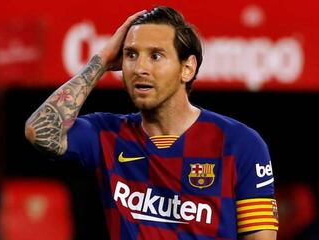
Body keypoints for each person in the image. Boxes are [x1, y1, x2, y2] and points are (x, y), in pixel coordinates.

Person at [25, 6, 279, 239]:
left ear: (187, 68)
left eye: (156, 56)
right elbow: (39, 131)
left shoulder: (239, 144)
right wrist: (101, 61)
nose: (139, 68)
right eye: (131, 55)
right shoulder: (107, 134)